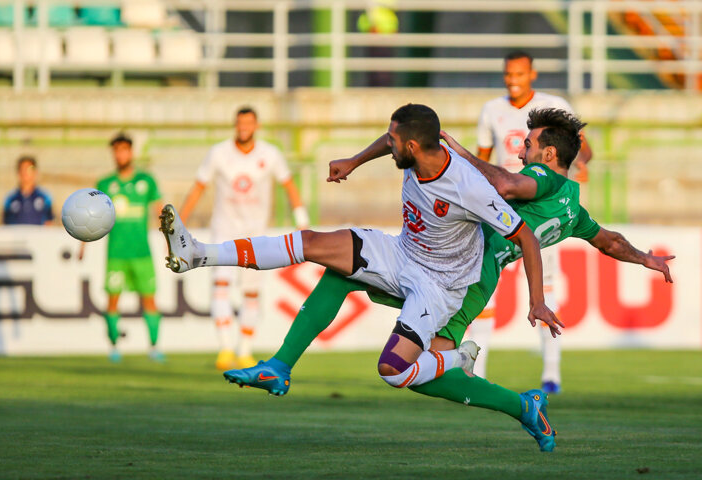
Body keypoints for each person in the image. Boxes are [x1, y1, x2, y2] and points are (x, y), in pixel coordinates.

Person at [222, 108, 674, 452]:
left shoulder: (540, 178)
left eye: (528, 144)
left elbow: (506, 185)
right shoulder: (573, 205)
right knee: (343, 274)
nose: (521, 150)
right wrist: (646, 259)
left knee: (413, 370)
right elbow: (607, 240)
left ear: (548, 155)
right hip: (450, 267)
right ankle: (281, 365)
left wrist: (458, 155)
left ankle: (517, 403)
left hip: (463, 275)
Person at [161, 103, 560, 447]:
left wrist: (537, 300)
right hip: (403, 253)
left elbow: (525, 236)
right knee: (318, 247)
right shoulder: (414, 149)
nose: (388, 146)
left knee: (395, 370)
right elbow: (388, 141)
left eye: (393, 142)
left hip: (439, 286)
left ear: (412, 147)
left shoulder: (469, 187)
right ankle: (201, 258)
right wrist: (353, 160)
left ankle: (507, 394)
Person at [473, 50, 594, 393]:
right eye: (508, 74)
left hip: (540, 209)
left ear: (533, 74)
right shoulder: (491, 111)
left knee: (546, 288)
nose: (513, 80)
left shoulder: (553, 106)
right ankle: (477, 371)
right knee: (486, 288)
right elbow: (482, 160)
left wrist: (580, 162)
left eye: (519, 74)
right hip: (501, 210)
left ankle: (551, 374)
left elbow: (582, 146)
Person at [177, 107, 310, 371]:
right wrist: (179, 223)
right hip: (224, 231)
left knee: (251, 292)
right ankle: (226, 349)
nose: (243, 127)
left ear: (256, 125)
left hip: (256, 234)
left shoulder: (270, 154)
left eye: (248, 123)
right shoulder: (219, 153)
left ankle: (245, 351)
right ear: (235, 125)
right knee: (222, 286)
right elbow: (199, 187)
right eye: (239, 123)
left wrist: (302, 220)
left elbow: (289, 185)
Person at [80, 132, 164, 363]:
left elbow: (159, 211)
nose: (120, 154)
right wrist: (83, 243)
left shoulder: (146, 181)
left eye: (124, 149)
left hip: (142, 253)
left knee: (149, 299)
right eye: (116, 150)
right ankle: (114, 346)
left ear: (131, 152)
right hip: (116, 253)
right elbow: (90, 216)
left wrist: (170, 239)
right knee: (113, 299)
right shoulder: (105, 184)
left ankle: (154, 347)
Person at [2, 156, 54, 225]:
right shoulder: (10, 198)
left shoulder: (44, 197)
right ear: (18, 172)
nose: (25, 172)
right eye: (22, 169)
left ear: (35, 172)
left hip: (38, 235)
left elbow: (49, 222)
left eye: (29, 169)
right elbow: (5, 223)